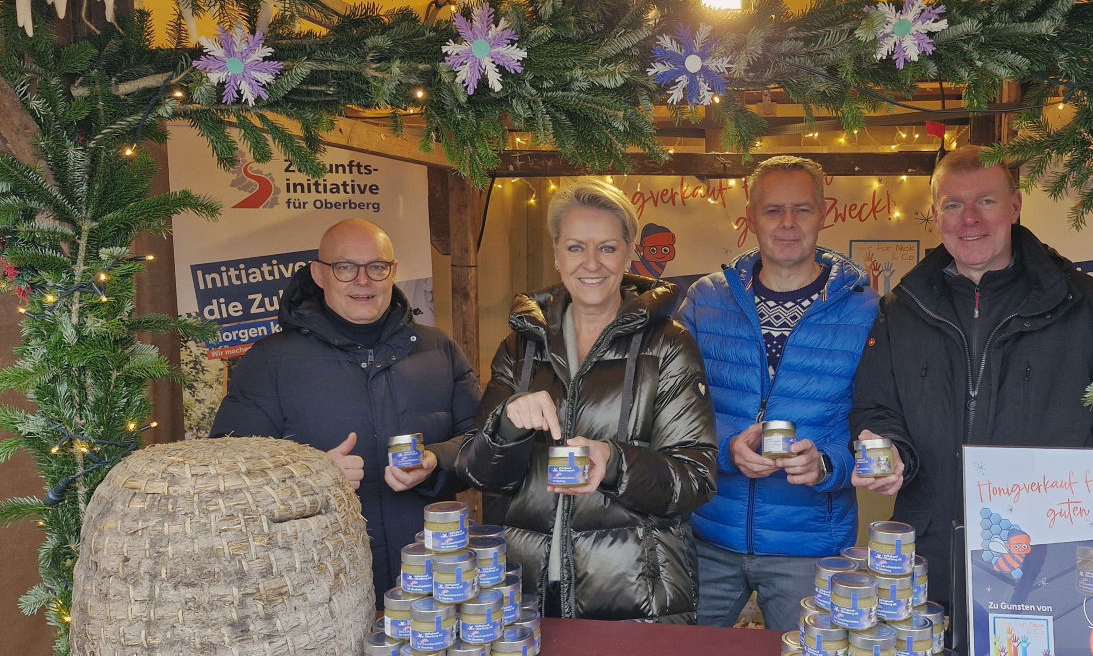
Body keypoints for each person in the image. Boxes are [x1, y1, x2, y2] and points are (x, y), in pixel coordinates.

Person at [849, 145, 1093, 612]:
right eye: (953, 205)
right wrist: (893, 451)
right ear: (935, 214)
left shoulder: (1089, 307)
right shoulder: (902, 309)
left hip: (1047, 554)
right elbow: (876, 406)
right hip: (931, 551)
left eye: (986, 201)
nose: (969, 220)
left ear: (1016, 206)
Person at [452, 178, 717, 623]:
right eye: (575, 248)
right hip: (526, 587)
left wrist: (613, 463)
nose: (591, 263)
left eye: (607, 248)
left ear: (629, 253)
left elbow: (695, 479)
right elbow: (480, 474)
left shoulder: (669, 345)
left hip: (635, 593)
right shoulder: (521, 347)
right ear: (557, 253)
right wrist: (508, 426)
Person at [210, 218, 480, 600]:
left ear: (393, 272)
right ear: (319, 275)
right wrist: (312, 475)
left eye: (376, 267)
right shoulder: (270, 361)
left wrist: (436, 460)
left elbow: (481, 444)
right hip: (318, 588)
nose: (363, 281)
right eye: (345, 268)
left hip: (429, 583)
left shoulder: (437, 350)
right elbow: (227, 469)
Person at [676, 155, 880, 631]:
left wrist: (828, 464)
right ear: (750, 218)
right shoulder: (705, 302)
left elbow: (880, 422)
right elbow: (673, 406)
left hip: (810, 549)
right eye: (773, 211)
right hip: (707, 535)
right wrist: (728, 446)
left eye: (802, 210)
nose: (788, 224)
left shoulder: (867, 310)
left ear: (824, 212)